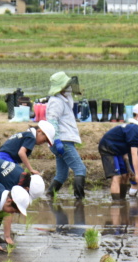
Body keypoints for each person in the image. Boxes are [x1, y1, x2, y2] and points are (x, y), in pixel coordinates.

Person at [98, 112, 138, 201]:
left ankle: (122, 200)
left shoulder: (137, 130)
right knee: (116, 176)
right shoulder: (135, 129)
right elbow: (134, 153)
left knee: (125, 175)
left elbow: (137, 144)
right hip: (108, 149)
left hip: (118, 150)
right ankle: (116, 204)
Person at [45, 72, 87, 200]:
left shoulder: (65, 99)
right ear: (62, 87)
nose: (70, 86)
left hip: (64, 140)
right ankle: (79, 200)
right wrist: (57, 140)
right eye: (67, 84)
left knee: (62, 175)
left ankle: (49, 196)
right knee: (80, 169)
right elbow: (52, 120)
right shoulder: (56, 102)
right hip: (62, 141)